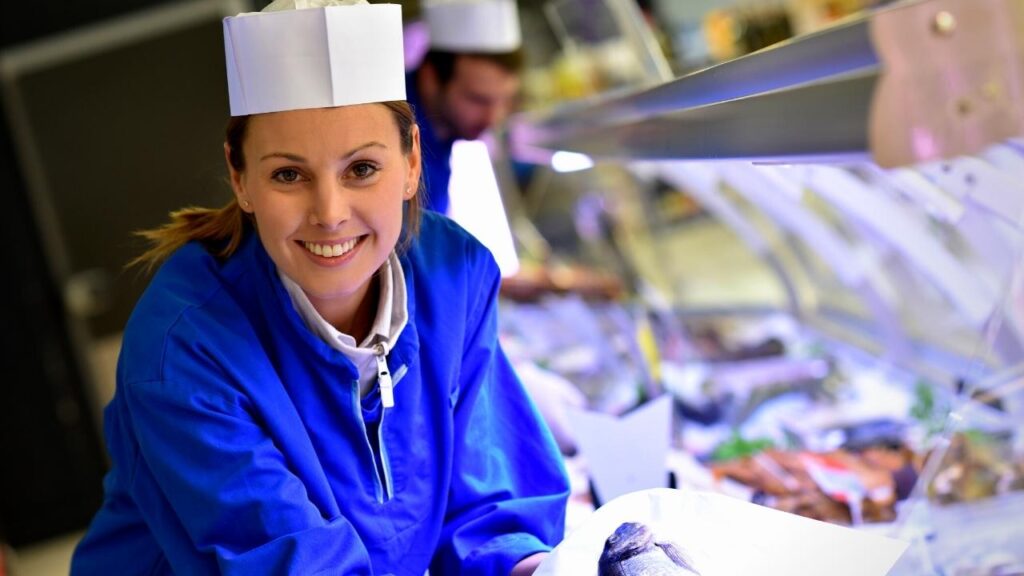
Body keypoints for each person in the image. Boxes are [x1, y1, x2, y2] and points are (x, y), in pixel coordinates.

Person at [69, 1, 569, 574]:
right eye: (288, 175)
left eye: (361, 169)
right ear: (240, 178)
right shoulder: (184, 348)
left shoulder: (451, 276)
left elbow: (489, 511)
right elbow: (288, 560)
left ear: (410, 162)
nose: (329, 214)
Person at [408, 0, 523, 215]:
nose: (493, 118)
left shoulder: (443, 131)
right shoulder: (395, 138)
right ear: (431, 78)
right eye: (478, 100)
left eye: (504, 101)